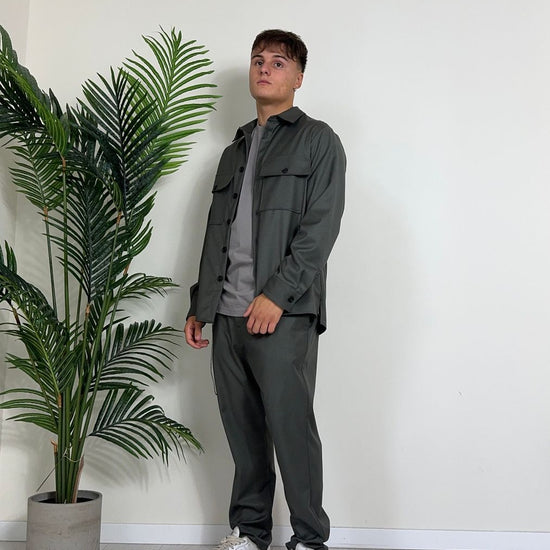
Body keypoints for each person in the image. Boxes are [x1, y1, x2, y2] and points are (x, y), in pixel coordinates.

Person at [185, 29, 346, 550]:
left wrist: (277, 295)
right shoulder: (232, 151)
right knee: (244, 434)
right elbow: (217, 234)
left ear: (298, 78)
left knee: (291, 429)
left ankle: (310, 538)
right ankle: (250, 533)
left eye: (278, 62)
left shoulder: (318, 140)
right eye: (258, 60)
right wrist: (201, 304)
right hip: (228, 315)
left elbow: (320, 228)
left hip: (283, 313)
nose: (264, 68)